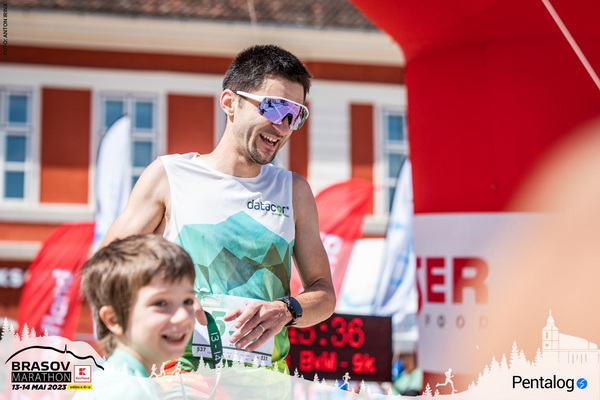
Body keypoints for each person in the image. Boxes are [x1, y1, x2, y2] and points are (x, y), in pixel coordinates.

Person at [99, 44, 336, 372]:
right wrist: (169, 303)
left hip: (266, 385)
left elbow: (324, 294)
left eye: (294, 115)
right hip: (179, 379)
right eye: (274, 108)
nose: (283, 127)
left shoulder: (294, 191)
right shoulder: (169, 176)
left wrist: (287, 309)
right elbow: (105, 270)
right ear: (229, 102)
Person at [80, 234, 198, 377]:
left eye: (188, 301)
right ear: (114, 318)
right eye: (160, 303)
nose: (183, 316)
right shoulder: (129, 388)